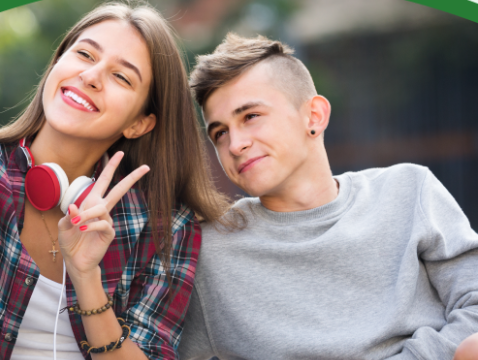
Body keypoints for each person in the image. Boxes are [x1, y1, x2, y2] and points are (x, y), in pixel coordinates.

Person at [0, 3, 230, 359]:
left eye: (121, 76)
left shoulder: (164, 226)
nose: (91, 76)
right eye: (85, 55)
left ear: (139, 123)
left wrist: (87, 278)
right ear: (57, 63)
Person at [178, 33, 478, 360]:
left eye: (250, 116)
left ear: (314, 116)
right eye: (220, 133)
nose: (235, 144)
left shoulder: (408, 191)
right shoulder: (209, 251)